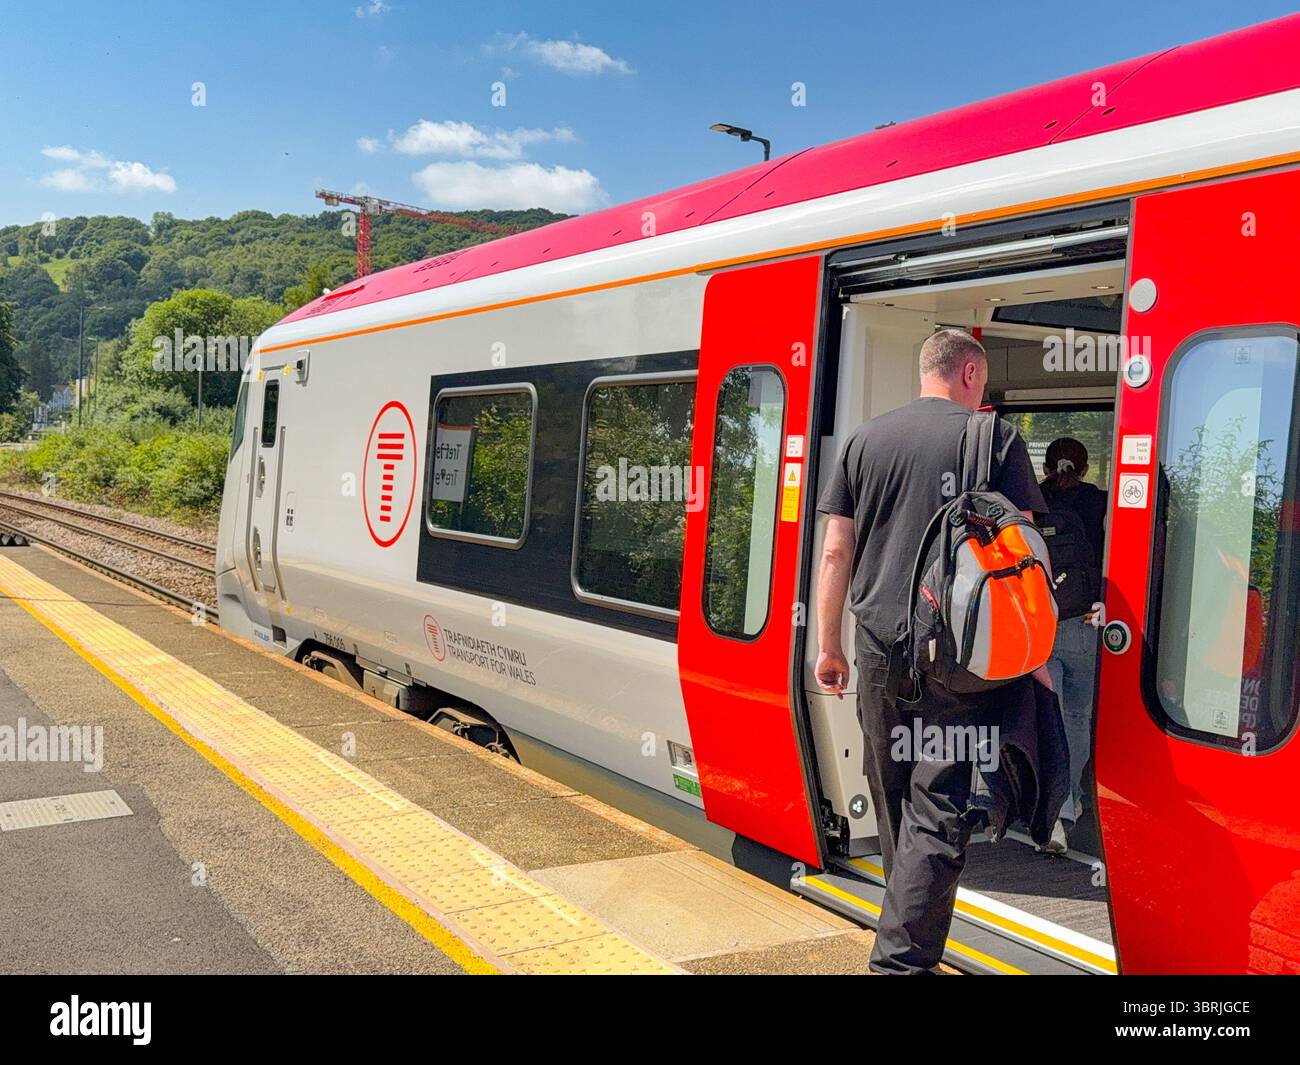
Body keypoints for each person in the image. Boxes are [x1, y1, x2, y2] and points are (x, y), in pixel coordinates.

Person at [814, 327, 1048, 975]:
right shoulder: (992, 437)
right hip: (956, 653)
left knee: (891, 787)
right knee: (938, 804)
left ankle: (902, 924)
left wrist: (828, 645)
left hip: (877, 649)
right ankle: (900, 962)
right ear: (971, 373)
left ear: (925, 371)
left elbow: (837, 549)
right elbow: (1020, 550)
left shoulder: (865, 439)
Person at [1038, 437, 1106, 850]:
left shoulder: (1033, 500)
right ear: (1083, 468)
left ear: (1047, 465)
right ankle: (1071, 808)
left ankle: (1047, 814)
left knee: (1048, 720)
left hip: (1039, 627)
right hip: (1085, 622)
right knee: (1076, 720)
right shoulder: (1098, 503)